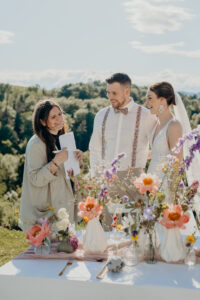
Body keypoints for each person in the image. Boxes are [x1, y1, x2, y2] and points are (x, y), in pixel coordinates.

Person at [89, 73, 156, 228]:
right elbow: (95, 148)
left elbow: (158, 145)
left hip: (135, 178)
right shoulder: (101, 115)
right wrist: (96, 177)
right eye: (108, 92)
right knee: (108, 225)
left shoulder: (146, 116)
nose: (110, 97)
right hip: (107, 178)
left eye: (114, 93)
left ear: (127, 91)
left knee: (136, 226)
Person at [19, 99, 82, 232]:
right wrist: (56, 161)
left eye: (60, 114)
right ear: (42, 121)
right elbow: (35, 179)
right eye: (53, 117)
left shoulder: (63, 138)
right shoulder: (36, 144)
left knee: (68, 250)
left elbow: (69, 175)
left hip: (65, 209)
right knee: (49, 251)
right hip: (47, 213)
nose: (59, 119)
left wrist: (77, 161)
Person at [145, 81, 199, 235]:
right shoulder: (156, 124)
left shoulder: (174, 125)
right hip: (151, 183)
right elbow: (159, 153)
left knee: (168, 232)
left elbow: (177, 163)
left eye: (150, 98)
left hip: (166, 186)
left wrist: (173, 197)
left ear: (162, 100)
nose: (146, 103)